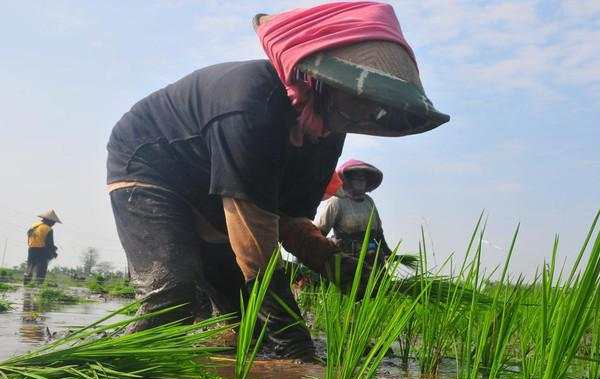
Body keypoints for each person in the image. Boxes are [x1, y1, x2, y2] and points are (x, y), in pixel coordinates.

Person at [106, 2, 449, 360]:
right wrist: (296, 347)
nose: (369, 113)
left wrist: (338, 267)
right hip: (152, 168)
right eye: (361, 97)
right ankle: (108, 368)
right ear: (321, 82)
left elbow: (290, 220)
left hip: (220, 196)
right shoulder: (250, 105)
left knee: (248, 328)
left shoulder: (328, 132)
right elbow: (255, 241)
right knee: (172, 295)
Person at [315, 159, 392, 262]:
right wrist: (331, 244)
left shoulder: (369, 202)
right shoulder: (337, 202)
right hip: (348, 260)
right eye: (356, 177)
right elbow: (319, 232)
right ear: (347, 180)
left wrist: (388, 252)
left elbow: (378, 234)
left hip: (373, 259)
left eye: (363, 178)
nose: (361, 180)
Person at [24, 210, 61, 285]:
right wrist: (54, 252)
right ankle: (38, 286)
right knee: (41, 270)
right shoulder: (48, 229)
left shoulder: (34, 226)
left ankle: (26, 286)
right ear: (49, 220)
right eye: (53, 222)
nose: (53, 224)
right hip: (42, 251)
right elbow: (49, 243)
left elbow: (29, 236)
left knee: (29, 269)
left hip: (31, 249)